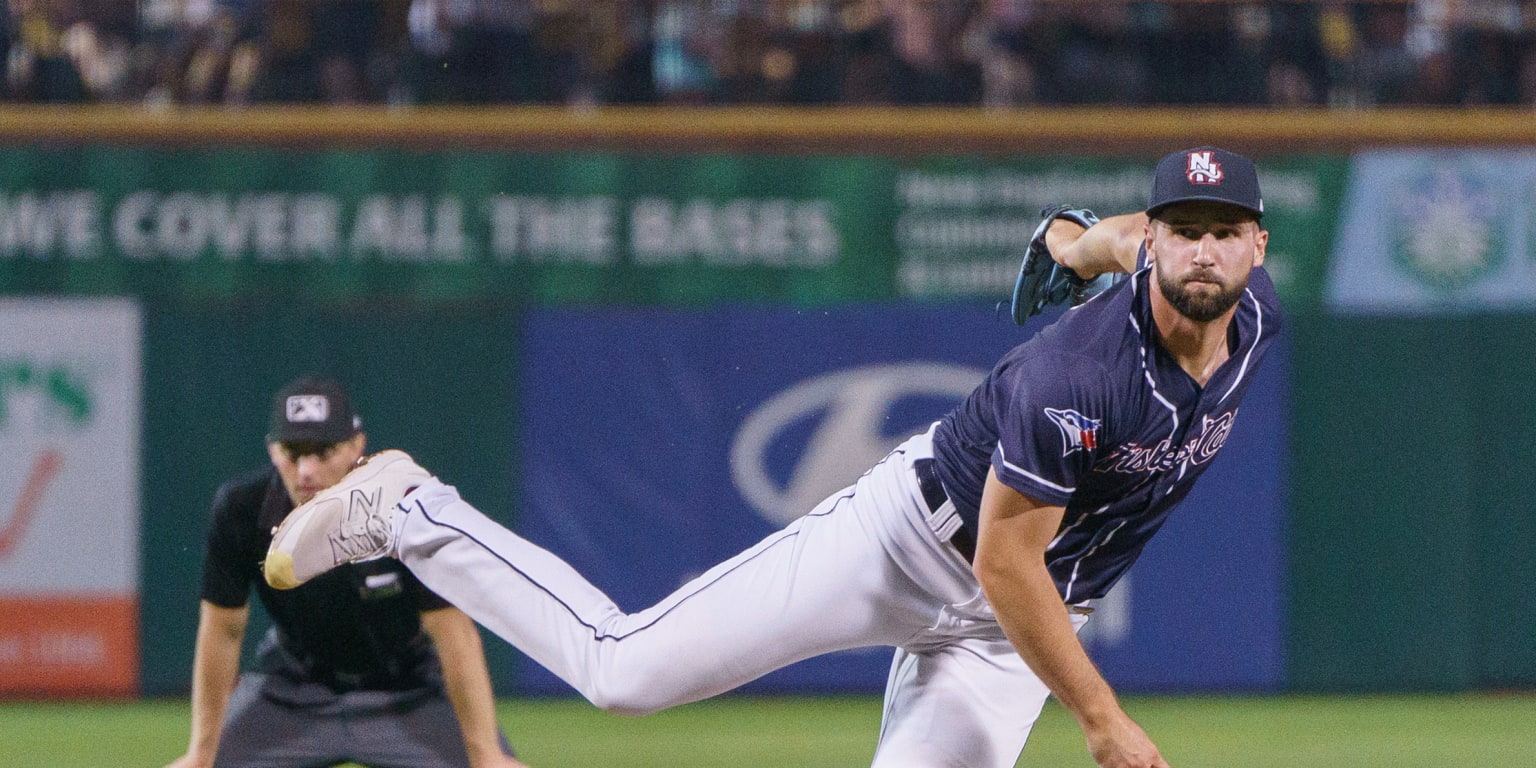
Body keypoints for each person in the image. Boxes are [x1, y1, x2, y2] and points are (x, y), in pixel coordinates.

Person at [264, 146, 1280, 768]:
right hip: (915, 545)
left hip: (1006, 639)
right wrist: (1102, 722)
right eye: (1180, 231)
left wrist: (1075, 243)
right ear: (1159, 239)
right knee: (626, 673)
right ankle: (409, 510)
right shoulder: (1078, 372)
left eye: (1222, 231)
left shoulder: (1252, 321)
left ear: (1257, 249)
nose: (1200, 250)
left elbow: (1122, 239)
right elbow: (1004, 564)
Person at [167, 376, 526, 768]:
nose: (305, 470)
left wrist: (486, 754)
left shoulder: (403, 507)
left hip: (407, 689)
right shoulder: (242, 509)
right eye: (292, 452)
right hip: (292, 688)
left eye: (323, 452)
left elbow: (454, 633)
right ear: (272, 450)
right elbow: (223, 630)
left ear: (357, 447)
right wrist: (201, 754)